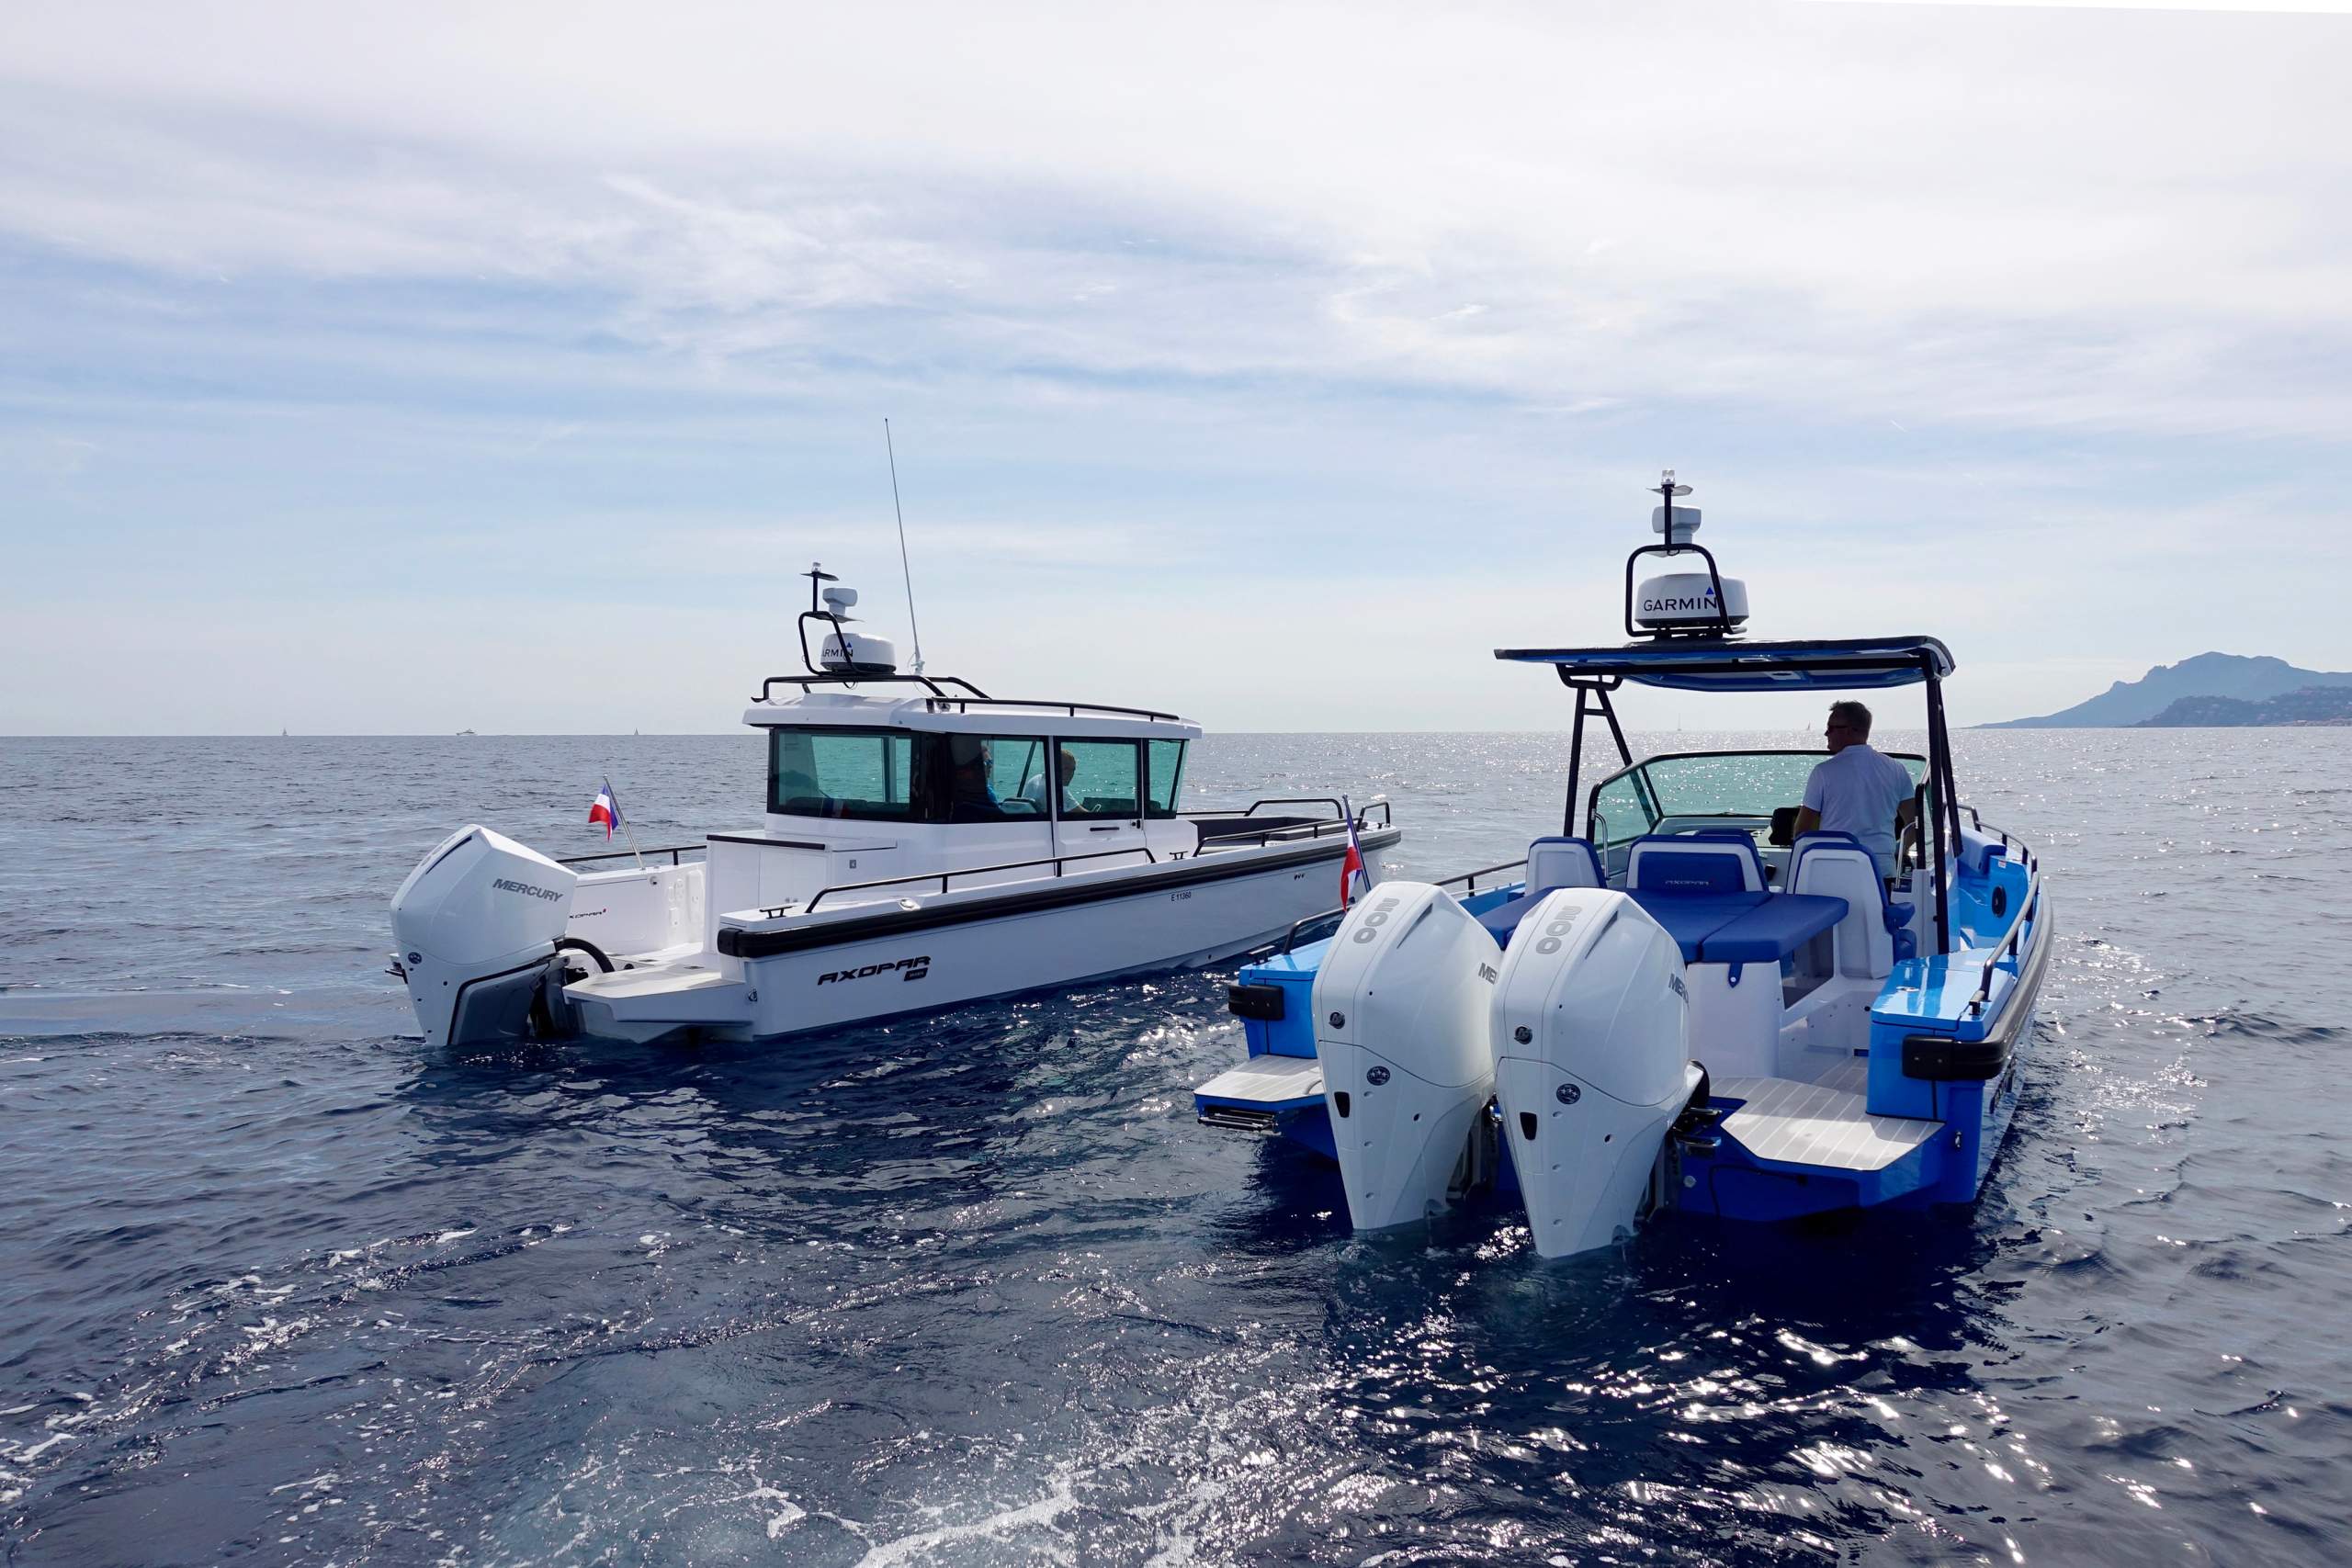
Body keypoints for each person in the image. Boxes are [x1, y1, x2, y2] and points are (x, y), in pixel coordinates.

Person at [1792, 700, 1915, 879]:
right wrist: (1898, 851)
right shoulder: (1897, 769)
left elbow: (1801, 831)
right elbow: (1914, 824)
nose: (1826, 733)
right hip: (1882, 872)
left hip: (1834, 870)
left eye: (1831, 728)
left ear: (1849, 730)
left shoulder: (1823, 772)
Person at [1020, 747, 1080, 815]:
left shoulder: (1034, 779)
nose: (1070, 774)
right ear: (1054, 767)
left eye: (1073, 770)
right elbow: (1085, 814)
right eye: (1066, 769)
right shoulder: (1058, 789)